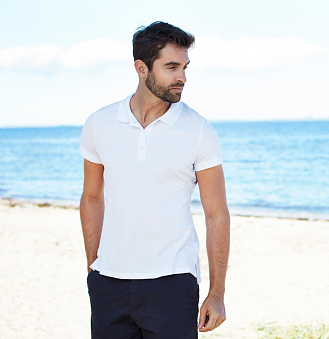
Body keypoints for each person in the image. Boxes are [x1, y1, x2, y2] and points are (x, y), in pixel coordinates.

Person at [79, 21, 230, 338]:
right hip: (109, 281)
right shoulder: (99, 124)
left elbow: (217, 213)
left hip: (173, 281)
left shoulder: (199, 130)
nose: (182, 78)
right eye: (171, 67)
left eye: (185, 67)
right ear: (141, 68)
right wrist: (94, 264)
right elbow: (92, 197)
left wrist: (217, 292)